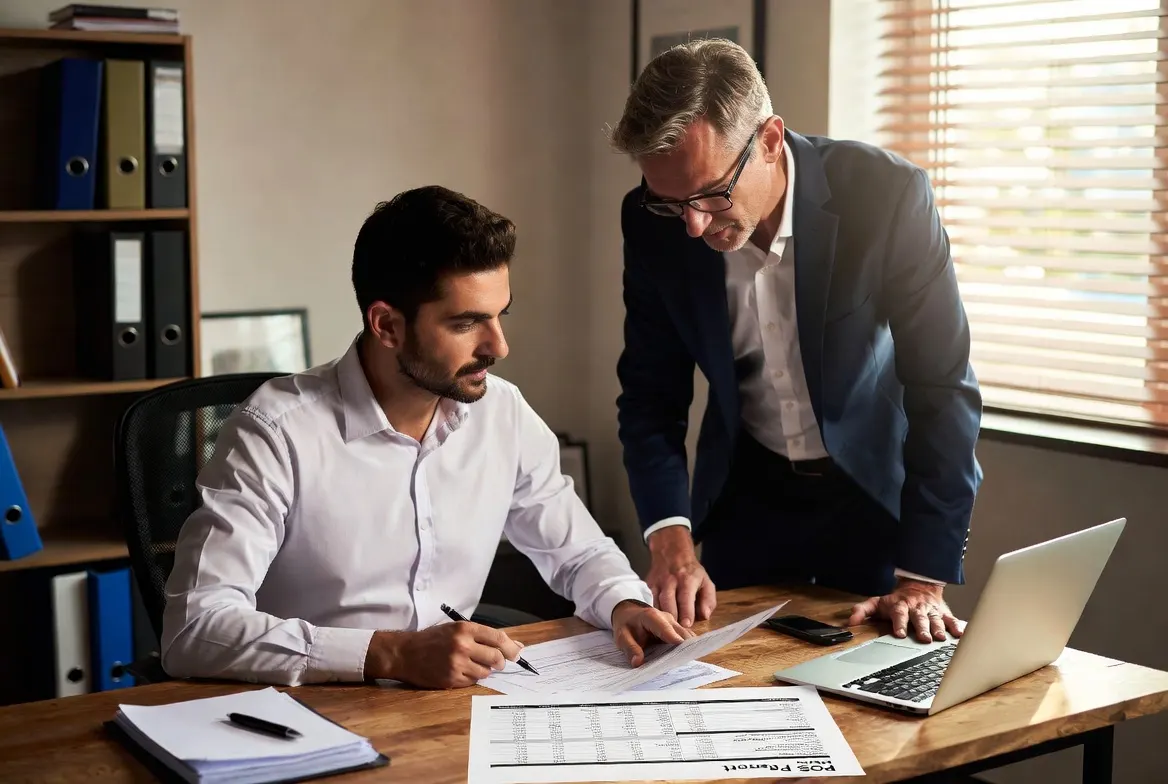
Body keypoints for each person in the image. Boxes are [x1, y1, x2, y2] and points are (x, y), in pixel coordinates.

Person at [161, 185, 690, 689]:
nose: (499, 346)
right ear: (387, 325)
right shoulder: (274, 433)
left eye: (500, 316)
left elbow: (576, 552)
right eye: (466, 324)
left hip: (451, 710)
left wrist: (624, 603)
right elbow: (195, 628)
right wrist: (390, 654)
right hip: (305, 711)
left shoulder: (502, 413)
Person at [609, 39, 982, 644]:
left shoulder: (887, 195)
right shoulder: (650, 224)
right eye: (671, 202)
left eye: (710, 194)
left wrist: (923, 576)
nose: (693, 225)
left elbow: (942, 388)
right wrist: (669, 534)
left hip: (871, 499)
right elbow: (651, 395)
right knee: (723, 683)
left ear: (769, 140)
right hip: (744, 499)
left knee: (873, 686)